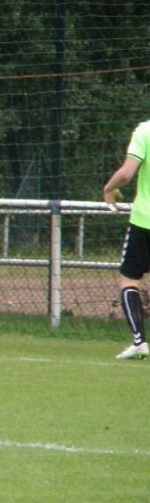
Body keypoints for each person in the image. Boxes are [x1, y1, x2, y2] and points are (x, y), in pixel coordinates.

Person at [102, 119, 150, 359]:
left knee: (129, 280)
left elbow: (126, 173)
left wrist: (108, 189)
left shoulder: (145, 131)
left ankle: (140, 342)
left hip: (145, 221)